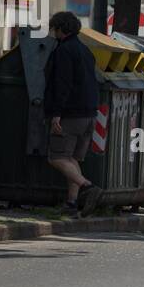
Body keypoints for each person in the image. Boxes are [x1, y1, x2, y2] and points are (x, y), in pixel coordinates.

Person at [43, 11, 103, 216]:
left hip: (71, 114)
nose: (53, 32)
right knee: (73, 158)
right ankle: (72, 202)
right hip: (89, 115)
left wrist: (56, 114)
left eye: (54, 29)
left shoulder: (64, 51)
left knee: (56, 157)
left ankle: (87, 187)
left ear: (61, 29)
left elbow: (62, 84)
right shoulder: (85, 50)